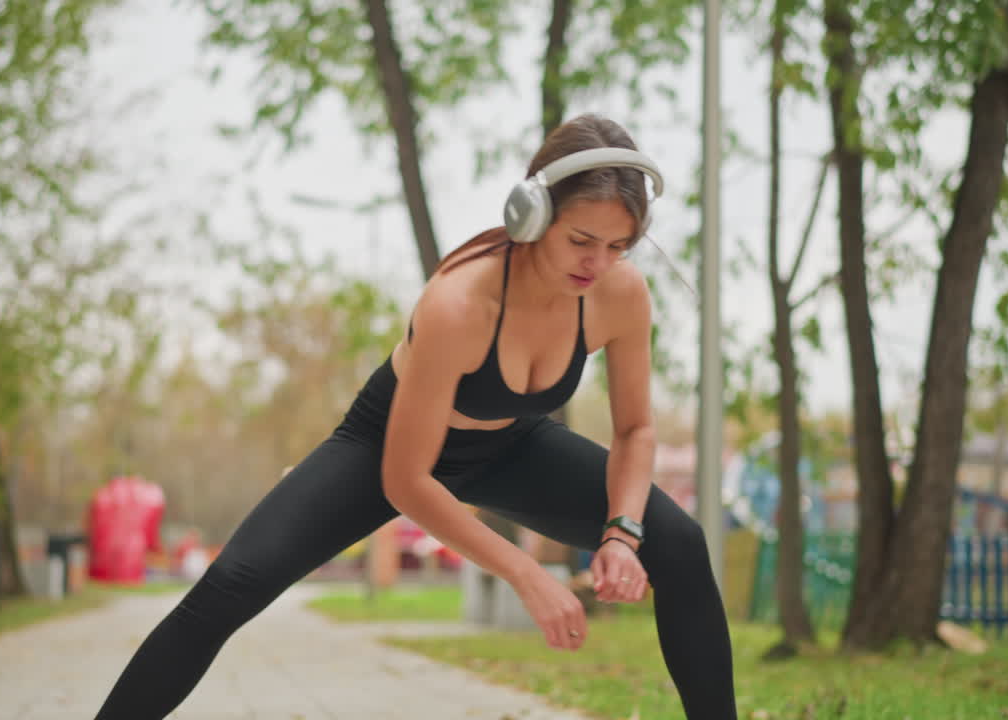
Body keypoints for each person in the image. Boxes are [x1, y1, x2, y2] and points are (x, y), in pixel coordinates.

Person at [94, 113, 737, 719]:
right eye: (581, 240)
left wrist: (622, 532)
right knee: (230, 584)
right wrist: (525, 572)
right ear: (533, 213)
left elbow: (635, 431)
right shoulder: (458, 303)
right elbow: (407, 482)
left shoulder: (619, 295)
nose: (597, 263)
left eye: (618, 245)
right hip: (384, 449)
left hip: (513, 446)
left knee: (677, 541)